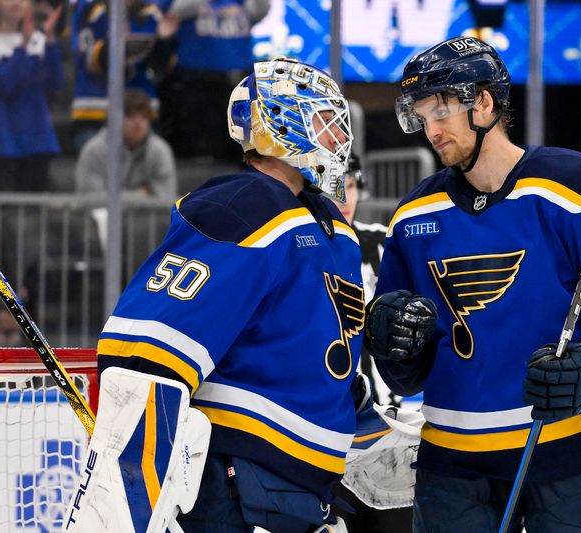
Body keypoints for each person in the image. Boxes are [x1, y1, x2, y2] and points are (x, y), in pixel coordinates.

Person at [364, 37, 581, 532]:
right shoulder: (414, 215)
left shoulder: (576, 186)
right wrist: (393, 340)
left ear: (483, 103)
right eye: (422, 115)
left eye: (440, 111)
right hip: (454, 466)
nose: (431, 130)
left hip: (576, 451)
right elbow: (405, 374)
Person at [64, 57, 362, 532]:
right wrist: (126, 484)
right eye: (322, 120)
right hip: (240, 482)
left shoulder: (329, 225)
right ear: (281, 126)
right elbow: (145, 349)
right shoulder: (244, 205)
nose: (337, 137)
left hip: (308, 489)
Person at [333, 153, 413, 533]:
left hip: (389, 428)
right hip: (331, 432)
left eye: (348, 186)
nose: (343, 197)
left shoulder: (383, 242)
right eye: (334, 187)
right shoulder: (301, 248)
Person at [156, 0, 270, 161]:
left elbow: (261, 10)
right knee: (193, 153)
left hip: (238, 83)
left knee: (241, 153)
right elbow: (171, 11)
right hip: (195, 84)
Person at [0, 0, 64, 191]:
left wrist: (50, 39)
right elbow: (1, 85)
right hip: (0, 142)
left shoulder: (37, 41)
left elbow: (55, 82)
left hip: (36, 140)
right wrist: (23, 47)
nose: (17, 3)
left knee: (34, 214)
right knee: (4, 215)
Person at [70, 0, 176, 152]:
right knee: (98, 166)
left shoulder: (152, 13)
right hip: (95, 112)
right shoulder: (91, 10)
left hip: (141, 114)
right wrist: (114, 48)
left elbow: (158, 69)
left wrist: (164, 42)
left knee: (151, 166)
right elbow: (86, 60)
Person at [75, 88, 177, 199]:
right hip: (101, 216)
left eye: (143, 116)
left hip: (149, 217)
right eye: (130, 116)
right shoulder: (94, 151)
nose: (138, 123)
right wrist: (141, 195)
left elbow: (166, 197)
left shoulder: (160, 150)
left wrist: (115, 197)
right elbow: (91, 199)